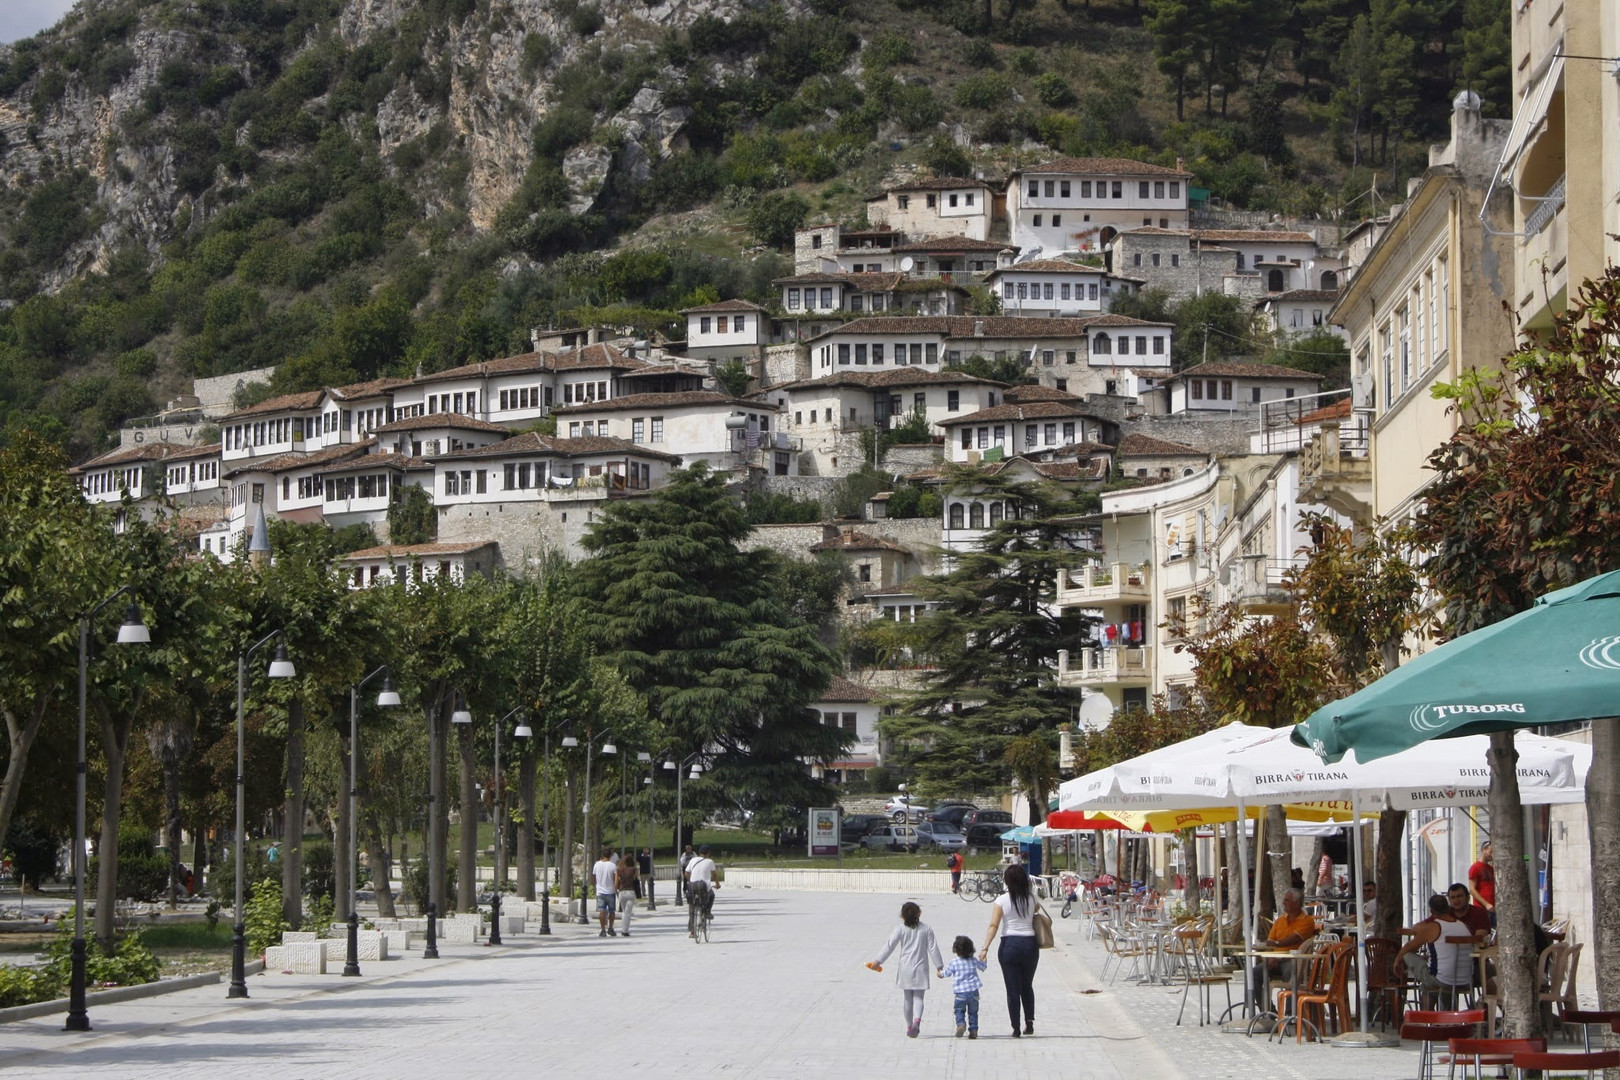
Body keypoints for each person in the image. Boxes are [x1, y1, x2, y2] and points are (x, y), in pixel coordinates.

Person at [979, 863, 1044, 1037]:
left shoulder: (1001, 901)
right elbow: (1036, 910)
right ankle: (1029, 1022)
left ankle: (1015, 1027)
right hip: (1030, 944)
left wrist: (985, 948)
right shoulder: (1032, 898)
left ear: (1007, 881)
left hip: (1009, 945)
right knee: (1027, 985)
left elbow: (994, 925)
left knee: (1012, 988)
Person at [866, 901, 943, 1039]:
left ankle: (909, 1027)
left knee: (907, 999)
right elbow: (933, 948)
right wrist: (939, 966)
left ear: (902, 916)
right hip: (921, 967)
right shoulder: (926, 929)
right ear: (919, 913)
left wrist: (877, 962)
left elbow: (889, 946)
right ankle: (917, 1021)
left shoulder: (900, 929)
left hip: (905, 968)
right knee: (919, 997)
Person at [1396, 895, 1472, 1007]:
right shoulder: (1463, 926)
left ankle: (1427, 1019)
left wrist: (1397, 960)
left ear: (1431, 911)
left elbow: (1409, 947)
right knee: (1437, 976)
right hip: (1465, 980)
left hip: (1442, 980)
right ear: (1448, 908)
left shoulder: (1434, 926)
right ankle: (1445, 1016)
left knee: (1408, 956)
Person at [1254, 888, 1319, 1004]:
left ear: (1297, 903)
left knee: (1291, 972)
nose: (1283, 903)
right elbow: (1270, 942)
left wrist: (1277, 943)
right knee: (1254, 973)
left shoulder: (1307, 921)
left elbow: (1294, 938)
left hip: (1294, 960)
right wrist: (1271, 956)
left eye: (1287, 900)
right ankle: (1266, 1009)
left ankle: (1290, 1014)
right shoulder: (1280, 920)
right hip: (1276, 959)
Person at [940, 934, 987, 1039]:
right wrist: (984, 958)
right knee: (973, 1012)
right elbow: (983, 967)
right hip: (974, 992)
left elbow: (945, 974)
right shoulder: (973, 960)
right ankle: (973, 1030)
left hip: (960, 993)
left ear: (955, 949)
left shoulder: (954, 962)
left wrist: (940, 973)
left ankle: (961, 1025)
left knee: (959, 1010)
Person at [684, 844, 718, 938]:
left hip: (692, 886)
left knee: (692, 907)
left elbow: (686, 873)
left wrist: (691, 881)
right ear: (708, 853)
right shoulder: (710, 861)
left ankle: (692, 932)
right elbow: (715, 874)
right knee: (711, 895)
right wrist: (717, 884)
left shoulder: (693, 860)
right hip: (704, 886)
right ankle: (707, 911)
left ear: (699, 852)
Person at [591, 848, 618, 937]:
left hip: (600, 892)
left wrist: (596, 886)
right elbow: (616, 879)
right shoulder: (613, 865)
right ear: (610, 856)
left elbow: (593, 878)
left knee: (602, 911)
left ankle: (603, 930)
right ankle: (610, 927)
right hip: (610, 891)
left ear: (602, 855)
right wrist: (616, 888)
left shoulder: (596, 864)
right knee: (612, 911)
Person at [1468, 841, 1495, 923]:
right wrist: (1486, 904)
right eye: (1491, 852)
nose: (1492, 855)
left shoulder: (1491, 868)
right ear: (1484, 850)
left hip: (1493, 907)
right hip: (1482, 908)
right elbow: (1472, 889)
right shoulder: (1475, 868)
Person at [615, 854, 639, 936]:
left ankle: (624, 929)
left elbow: (616, 882)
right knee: (628, 912)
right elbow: (636, 879)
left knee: (624, 911)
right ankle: (624, 930)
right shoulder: (633, 870)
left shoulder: (619, 870)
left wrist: (617, 889)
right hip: (631, 892)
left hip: (621, 892)